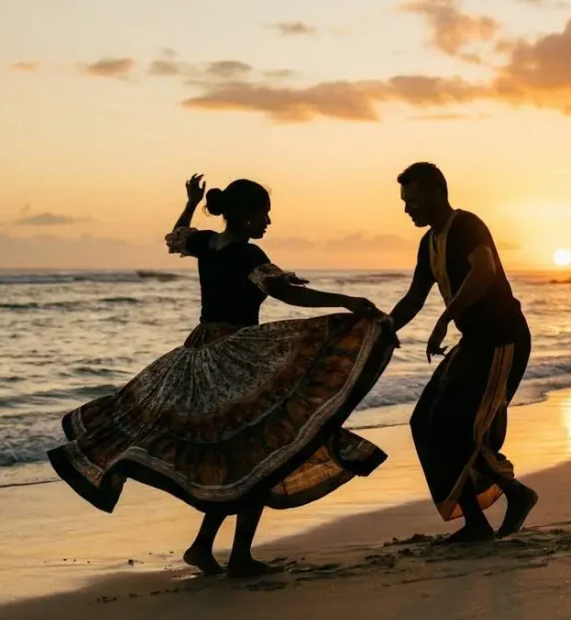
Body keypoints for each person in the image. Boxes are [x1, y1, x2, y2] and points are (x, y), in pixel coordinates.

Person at [48, 175, 397, 577]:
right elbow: (289, 295)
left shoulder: (209, 244)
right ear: (246, 214)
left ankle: (202, 547)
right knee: (257, 452)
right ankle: (239, 556)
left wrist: (191, 202)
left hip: (197, 353)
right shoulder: (249, 255)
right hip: (236, 354)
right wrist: (347, 302)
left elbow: (177, 237)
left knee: (236, 456)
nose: (268, 221)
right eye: (264, 212)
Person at [387, 162, 539, 544]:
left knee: (456, 428)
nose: (408, 209)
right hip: (473, 341)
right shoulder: (429, 244)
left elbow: (484, 270)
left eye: (414, 200)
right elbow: (413, 299)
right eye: (405, 202)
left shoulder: (467, 224)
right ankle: (476, 522)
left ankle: (517, 494)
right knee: (424, 423)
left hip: (502, 339)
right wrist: (380, 330)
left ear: (438, 194)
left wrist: (446, 318)